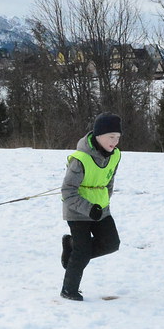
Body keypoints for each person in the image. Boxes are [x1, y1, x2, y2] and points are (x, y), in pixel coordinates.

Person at [59, 112, 122, 301]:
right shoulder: (80, 159)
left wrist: (104, 202)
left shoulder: (115, 155)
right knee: (83, 251)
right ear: (98, 135)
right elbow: (67, 192)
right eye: (111, 137)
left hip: (101, 209)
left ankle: (71, 249)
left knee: (111, 244)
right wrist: (89, 208)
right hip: (77, 212)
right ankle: (68, 290)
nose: (115, 142)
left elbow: (109, 180)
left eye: (118, 137)